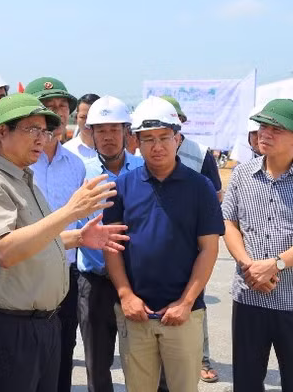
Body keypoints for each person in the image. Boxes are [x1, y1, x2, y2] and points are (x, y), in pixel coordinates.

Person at [0, 93, 128, 392]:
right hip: (4, 331)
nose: (42, 138)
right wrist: (70, 212)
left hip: (39, 326)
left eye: (45, 131)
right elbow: (5, 250)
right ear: (2, 132)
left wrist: (77, 238)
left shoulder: (19, 177)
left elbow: (33, 240)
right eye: (31, 129)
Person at [104, 96, 224, 392]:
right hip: (136, 313)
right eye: (148, 139)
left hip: (183, 314)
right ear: (136, 142)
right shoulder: (122, 187)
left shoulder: (201, 188)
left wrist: (185, 303)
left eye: (164, 137)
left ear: (178, 138)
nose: (157, 146)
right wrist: (126, 295)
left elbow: (209, 249)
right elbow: (111, 246)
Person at [222, 99, 293, 392]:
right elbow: (229, 225)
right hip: (249, 297)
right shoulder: (241, 175)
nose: (265, 134)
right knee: (246, 382)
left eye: (276, 129)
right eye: (262, 126)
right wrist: (251, 267)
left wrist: (274, 265)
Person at [75, 96, 143, 392]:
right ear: (90, 133)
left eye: (114, 129)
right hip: (95, 282)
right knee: (98, 364)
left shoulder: (144, 168)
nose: (107, 137)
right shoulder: (80, 172)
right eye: (100, 130)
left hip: (138, 281)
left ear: (126, 131)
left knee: (142, 362)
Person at [25, 76, 87, 392]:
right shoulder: (18, 164)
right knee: (27, 359)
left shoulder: (76, 165)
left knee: (62, 353)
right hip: (26, 273)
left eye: (62, 106)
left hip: (67, 274)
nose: (58, 113)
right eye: (48, 107)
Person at [160, 95, 221, 384]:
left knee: (194, 301)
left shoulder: (201, 152)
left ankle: (202, 358)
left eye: (173, 123)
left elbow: (215, 196)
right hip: (156, 244)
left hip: (193, 245)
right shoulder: (141, 149)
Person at [160, 96, 222, 196]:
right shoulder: (141, 154)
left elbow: (216, 196)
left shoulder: (201, 155)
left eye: (169, 119)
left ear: (179, 120)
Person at [64, 93, 100, 161]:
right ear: (76, 118)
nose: (88, 122)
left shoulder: (116, 150)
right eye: (83, 117)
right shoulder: (66, 151)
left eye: (93, 117)